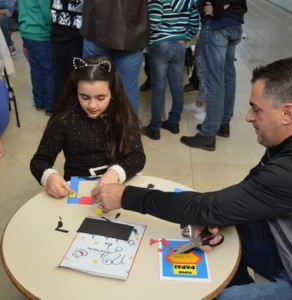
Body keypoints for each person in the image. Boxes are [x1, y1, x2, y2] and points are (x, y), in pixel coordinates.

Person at [92, 57, 292, 299]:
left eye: (256, 109)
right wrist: (216, 219)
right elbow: (246, 191)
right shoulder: (281, 145)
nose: (248, 117)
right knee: (220, 239)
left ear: (286, 113)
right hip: (277, 240)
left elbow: (210, 207)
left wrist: (126, 196)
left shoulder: (287, 171)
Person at [30, 55, 146, 199]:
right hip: (78, 190)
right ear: (75, 92)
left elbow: (137, 156)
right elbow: (39, 161)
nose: (92, 105)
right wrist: (49, 177)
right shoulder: (64, 120)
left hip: (117, 187)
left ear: (113, 94)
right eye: (84, 97)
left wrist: (115, 173)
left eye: (100, 98)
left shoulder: (124, 116)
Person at [180, 0, 247, 151]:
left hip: (217, 25)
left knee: (214, 80)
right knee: (227, 77)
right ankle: (223, 123)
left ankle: (208, 134)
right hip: (234, 24)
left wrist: (216, 8)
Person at [143, 0, 199, 140]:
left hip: (160, 44)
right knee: (177, 87)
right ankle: (173, 123)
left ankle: (155, 128)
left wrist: (149, 38)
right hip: (180, 45)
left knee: (158, 88)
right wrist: (184, 37)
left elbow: (154, 21)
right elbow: (194, 24)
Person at [80, 0, 149, 112]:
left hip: (96, 27)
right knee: (127, 94)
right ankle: (127, 129)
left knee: (91, 89)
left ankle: (93, 129)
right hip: (132, 30)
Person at [18, 0, 55, 115]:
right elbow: (48, 14)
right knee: (48, 71)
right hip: (41, 34)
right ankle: (50, 105)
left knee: (35, 69)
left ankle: (39, 102)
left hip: (27, 32)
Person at [51, 0, 84, 104]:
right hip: (75, 37)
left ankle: (59, 108)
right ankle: (72, 109)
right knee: (75, 76)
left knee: (60, 76)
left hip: (58, 35)